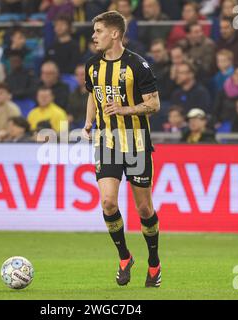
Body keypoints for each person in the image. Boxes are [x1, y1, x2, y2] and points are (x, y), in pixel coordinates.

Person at [82, 11, 162, 287]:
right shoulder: (92, 66)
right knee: (108, 202)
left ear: (115, 34)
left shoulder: (138, 66)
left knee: (144, 209)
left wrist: (125, 109)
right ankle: (125, 257)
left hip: (137, 144)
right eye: (94, 30)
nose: (93, 35)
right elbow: (93, 95)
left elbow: (154, 105)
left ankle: (154, 261)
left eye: (99, 30)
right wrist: (89, 121)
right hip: (107, 143)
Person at [66, 64, 87, 129]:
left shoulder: (95, 93)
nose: (79, 77)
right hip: (75, 127)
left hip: (92, 127)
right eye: (77, 75)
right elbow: (69, 112)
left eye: (82, 74)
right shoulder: (73, 94)